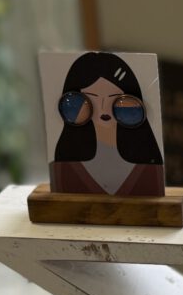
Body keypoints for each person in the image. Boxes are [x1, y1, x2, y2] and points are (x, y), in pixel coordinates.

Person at [50, 52, 165, 196]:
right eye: (92, 98)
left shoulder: (146, 163)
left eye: (115, 98)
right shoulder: (66, 163)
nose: (103, 107)